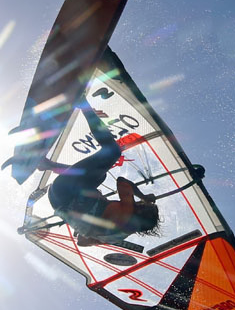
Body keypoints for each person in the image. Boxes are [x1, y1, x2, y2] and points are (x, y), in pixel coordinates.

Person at [41, 80, 161, 247]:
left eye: (142, 204)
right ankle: (48, 165)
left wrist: (143, 196)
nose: (140, 203)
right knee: (99, 178)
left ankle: (83, 105)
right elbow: (82, 242)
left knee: (113, 151)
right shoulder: (116, 238)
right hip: (58, 200)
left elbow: (122, 182)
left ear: (142, 210)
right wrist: (88, 223)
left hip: (64, 190)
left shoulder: (129, 211)